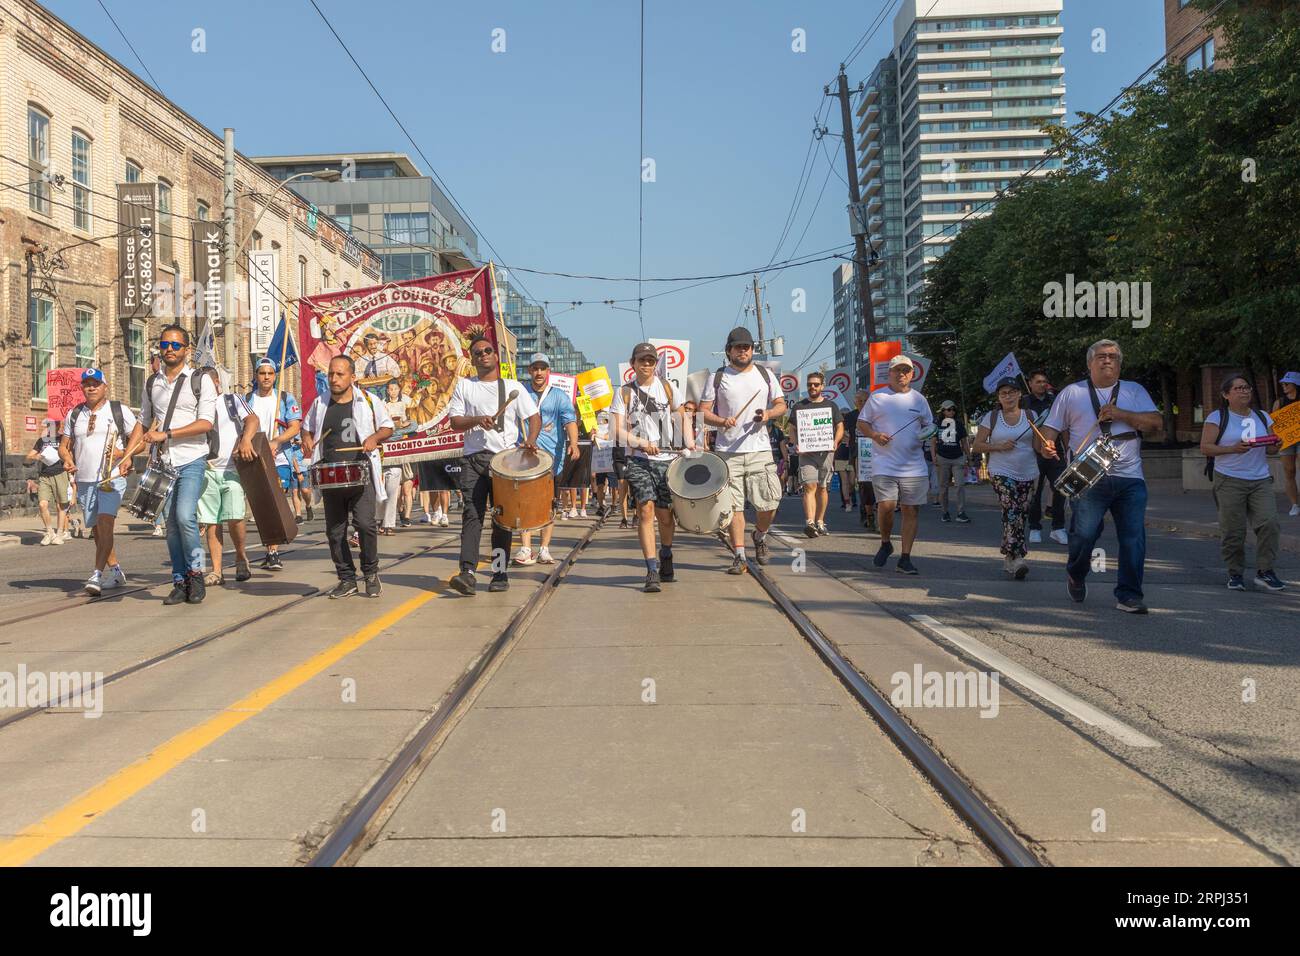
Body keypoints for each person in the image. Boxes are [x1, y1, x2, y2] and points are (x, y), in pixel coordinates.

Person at [1040, 338, 1162, 613]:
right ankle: (1076, 572)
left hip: (1130, 476)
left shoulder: (1134, 390)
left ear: (1120, 364)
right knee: (1084, 535)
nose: (1108, 360)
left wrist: (1121, 414)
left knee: (1133, 536)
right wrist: (1046, 447)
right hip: (1087, 475)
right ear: (1089, 363)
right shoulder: (1072, 393)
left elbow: (1157, 424)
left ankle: (1129, 595)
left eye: (1113, 357)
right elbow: (1049, 432)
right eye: (1101, 356)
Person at [446, 336, 540, 595]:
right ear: (472, 360)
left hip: (504, 462)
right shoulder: (465, 386)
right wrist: (477, 420)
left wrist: (530, 441)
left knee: (502, 520)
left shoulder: (512, 387)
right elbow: (455, 422)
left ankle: (499, 572)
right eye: (478, 353)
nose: (484, 355)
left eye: (488, 351)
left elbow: (533, 417)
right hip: (473, 460)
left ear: (496, 356)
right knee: (472, 515)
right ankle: (467, 572)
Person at [301, 355, 394, 598]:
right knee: (334, 532)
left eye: (340, 374)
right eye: (331, 373)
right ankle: (346, 578)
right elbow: (306, 427)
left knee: (365, 525)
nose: (334, 378)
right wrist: (307, 440)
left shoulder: (369, 401)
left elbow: (387, 426)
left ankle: (371, 573)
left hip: (360, 473)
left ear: (352, 376)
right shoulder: (320, 403)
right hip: (331, 475)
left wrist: (374, 439)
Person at [699, 327, 787, 574]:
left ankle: (759, 535)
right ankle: (739, 555)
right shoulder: (717, 377)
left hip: (759, 449)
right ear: (729, 351)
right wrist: (721, 421)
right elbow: (703, 411)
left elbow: (781, 404)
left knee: (769, 502)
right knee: (734, 507)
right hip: (728, 452)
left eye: (746, 347)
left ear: (752, 350)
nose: (742, 351)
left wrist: (768, 414)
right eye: (737, 347)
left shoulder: (765, 375)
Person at [140, 326, 217, 606]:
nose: (169, 349)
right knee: (171, 526)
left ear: (186, 349)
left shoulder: (200, 380)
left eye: (176, 345)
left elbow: (206, 423)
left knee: (185, 517)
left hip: (192, 458)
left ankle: (196, 574)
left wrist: (167, 434)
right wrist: (128, 452)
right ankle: (179, 580)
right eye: (165, 344)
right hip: (165, 463)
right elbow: (143, 421)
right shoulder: (153, 383)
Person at [611, 341, 693, 592]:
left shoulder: (668, 388)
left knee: (665, 515)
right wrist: (640, 443)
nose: (646, 364)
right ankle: (651, 569)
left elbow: (682, 416)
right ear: (633, 363)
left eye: (650, 360)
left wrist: (690, 443)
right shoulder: (623, 392)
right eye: (641, 360)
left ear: (655, 365)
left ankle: (665, 553)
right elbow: (616, 429)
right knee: (645, 510)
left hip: (667, 460)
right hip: (638, 460)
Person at [1202, 373, 1285, 592]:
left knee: (1269, 523)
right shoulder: (1217, 417)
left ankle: (1265, 571)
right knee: (1233, 531)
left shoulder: (1262, 416)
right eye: (1238, 388)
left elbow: (1270, 447)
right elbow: (1206, 447)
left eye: (1246, 387)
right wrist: (1232, 449)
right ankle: (1235, 573)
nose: (1244, 391)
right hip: (1229, 480)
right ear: (1226, 394)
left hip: (1260, 479)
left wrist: (1276, 443)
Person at [60, 369, 139, 595]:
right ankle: (115, 571)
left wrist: (124, 454)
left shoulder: (118, 410)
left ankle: (96, 574)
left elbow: (140, 440)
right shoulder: (74, 414)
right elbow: (64, 446)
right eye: (87, 384)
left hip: (111, 478)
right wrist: (67, 459)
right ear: (82, 388)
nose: (91, 387)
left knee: (105, 524)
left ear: (105, 386)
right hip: (84, 480)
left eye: (96, 383)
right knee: (97, 530)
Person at [858, 355, 932, 574]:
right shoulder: (878, 397)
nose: (902, 374)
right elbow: (863, 422)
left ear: (912, 374)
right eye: (897, 370)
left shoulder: (919, 400)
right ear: (889, 373)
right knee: (887, 506)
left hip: (914, 465)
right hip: (884, 464)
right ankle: (885, 542)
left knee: (910, 510)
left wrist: (928, 433)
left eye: (906, 370)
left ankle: (905, 558)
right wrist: (874, 435)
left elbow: (930, 425)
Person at [971, 378, 1039, 579]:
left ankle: (1009, 554)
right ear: (998, 398)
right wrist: (998, 447)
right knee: (1012, 510)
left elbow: (1037, 445)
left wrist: (1048, 448)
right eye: (1003, 393)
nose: (1007, 396)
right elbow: (977, 445)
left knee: (1021, 513)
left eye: (1011, 392)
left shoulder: (1030, 415)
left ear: (1019, 394)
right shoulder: (991, 417)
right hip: (1001, 471)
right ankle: (1018, 556)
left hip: (1028, 470)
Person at [516, 353, 579, 566]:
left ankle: (544, 548)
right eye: (535, 368)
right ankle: (525, 547)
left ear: (548, 371)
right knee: (523, 502)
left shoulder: (559, 396)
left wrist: (574, 443)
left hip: (553, 458)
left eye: (543, 368)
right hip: (525, 456)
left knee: (548, 504)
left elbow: (570, 421)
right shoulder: (521, 391)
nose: (539, 372)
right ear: (529, 371)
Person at [198, 374, 260, 587]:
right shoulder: (195, 404)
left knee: (235, 517)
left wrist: (245, 440)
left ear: (216, 382)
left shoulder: (231, 399)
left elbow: (252, 419)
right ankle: (216, 570)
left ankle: (241, 555)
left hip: (232, 470)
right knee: (212, 520)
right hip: (207, 469)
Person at [247, 358, 301, 570]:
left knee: (274, 499)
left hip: (279, 458)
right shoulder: (247, 399)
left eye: (270, 373)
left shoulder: (285, 398)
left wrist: (277, 441)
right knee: (262, 504)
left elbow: (295, 426)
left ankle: (274, 551)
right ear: (256, 375)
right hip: (255, 458)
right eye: (262, 373)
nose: (266, 377)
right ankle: (270, 550)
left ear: (275, 376)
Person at [788, 372, 845, 537]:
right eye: (809, 384)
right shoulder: (799, 406)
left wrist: (835, 442)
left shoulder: (831, 406)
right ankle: (810, 522)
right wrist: (795, 443)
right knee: (809, 485)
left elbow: (840, 426)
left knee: (822, 487)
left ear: (822, 386)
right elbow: (792, 429)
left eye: (816, 384)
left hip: (826, 452)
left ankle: (820, 521)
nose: (812, 387)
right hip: (806, 453)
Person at [1022, 370, 1067, 545]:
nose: (1042, 384)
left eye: (1044, 382)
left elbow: (1063, 427)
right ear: (1030, 383)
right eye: (1038, 381)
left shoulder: (1055, 402)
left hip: (1056, 452)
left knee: (1061, 488)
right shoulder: (1023, 403)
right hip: (1033, 454)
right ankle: (1034, 527)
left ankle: (1058, 527)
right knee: (1035, 492)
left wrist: (1068, 447)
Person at [26, 423, 70, 545]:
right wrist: (38, 456)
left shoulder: (63, 439)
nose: (50, 427)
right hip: (44, 476)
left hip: (60, 473)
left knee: (61, 505)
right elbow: (29, 456)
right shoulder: (42, 440)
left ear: (58, 426)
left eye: (53, 425)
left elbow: (70, 454)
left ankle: (60, 534)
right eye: (48, 425)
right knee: (42, 504)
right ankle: (50, 532)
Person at [931, 399, 971, 524]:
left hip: (957, 458)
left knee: (960, 485)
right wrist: (934, 457)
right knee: (943, 487)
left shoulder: (959, 424)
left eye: (953, 409)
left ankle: (961, 512)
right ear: (943, 411)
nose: (952, 411)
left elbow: (964, 442)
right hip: (942, 458)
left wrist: (969, 457)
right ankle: (945, 512)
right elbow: (933, 443)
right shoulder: (937, 425)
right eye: (949, 409)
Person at [1272, 371, 1299, 517]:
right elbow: (1273, 423)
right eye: (1282, 384)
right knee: (1289, 471)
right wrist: (1275, 438)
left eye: (1286, 384)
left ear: (1296, 384)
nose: (1283, 386)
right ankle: (1295, 504)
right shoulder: (1279, 402)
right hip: (1286, 440)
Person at [835, 394, 860, 513]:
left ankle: (850, 496)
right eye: (842, 415)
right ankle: (847, 502)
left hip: (850, 454)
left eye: (846, 415)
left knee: (851, 481)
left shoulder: (853, 427)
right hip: (840, 454)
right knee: (844, 480)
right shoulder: (837, 427)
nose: (844, 417)